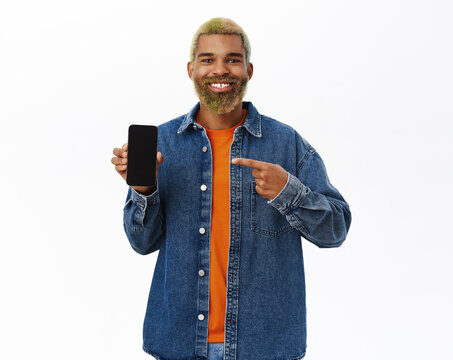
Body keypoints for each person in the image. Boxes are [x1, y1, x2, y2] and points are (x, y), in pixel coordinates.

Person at [111, 17, 351, 360]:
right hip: (178, 343)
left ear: (248, 70)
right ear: (192, 69)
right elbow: (141, 243)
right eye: (208, 60)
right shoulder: (164, 144)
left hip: (264, 346)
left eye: (232, 60)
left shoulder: (286, 143)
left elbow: (336, 231)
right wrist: (144, 189)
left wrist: (289, 192)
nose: (220, 70)